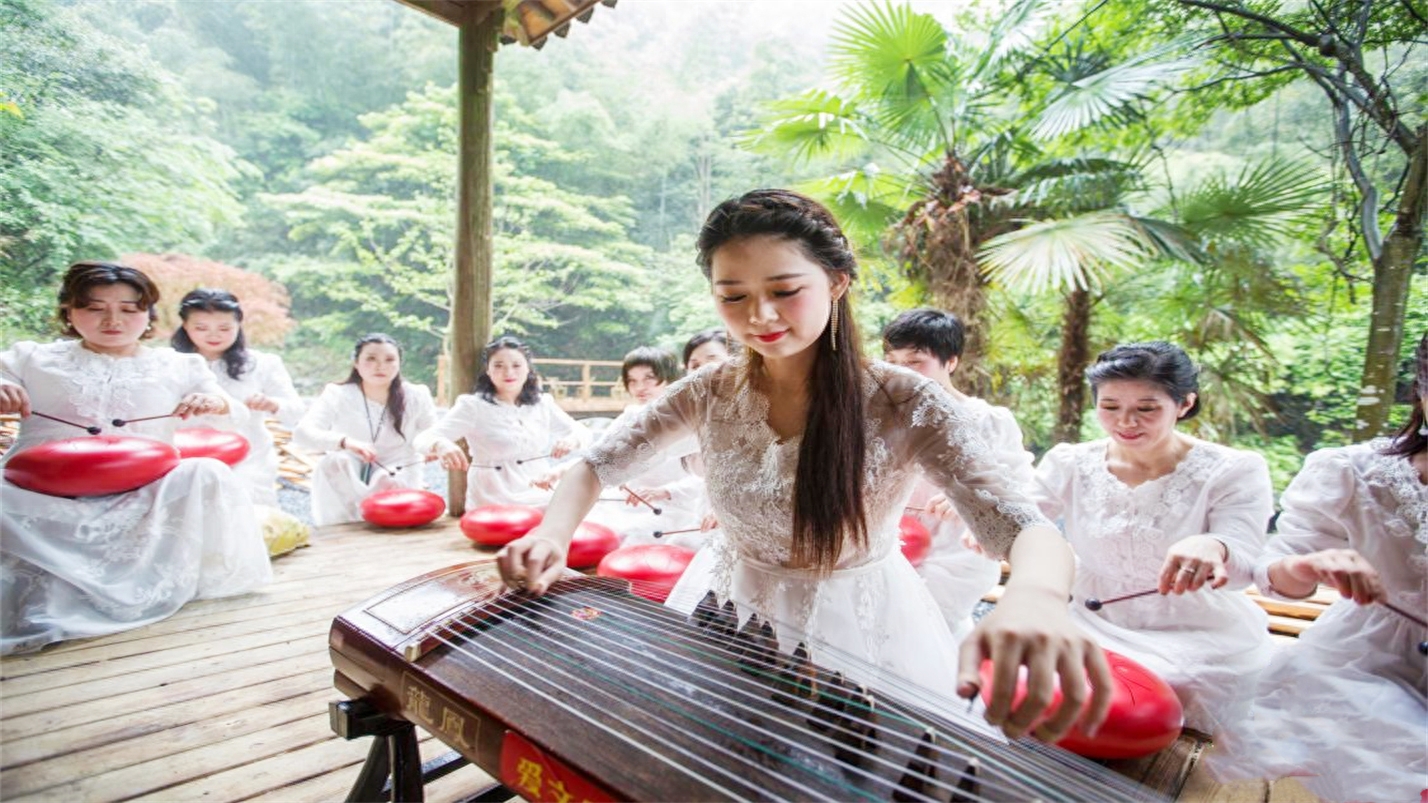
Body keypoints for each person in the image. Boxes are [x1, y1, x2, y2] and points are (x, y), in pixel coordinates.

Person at [497, 189, 1113, 742]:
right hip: (728, 604)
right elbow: (595, 464)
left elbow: (1024, 526)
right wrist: (551, 534)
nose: (760, 318)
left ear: (837, 282)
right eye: (732, 297)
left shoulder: (903, 399)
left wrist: (1033, 596)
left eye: (785, 291)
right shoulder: (708, 390)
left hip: (861, 619)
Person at [0, 261, 272, 655]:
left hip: (143, 496)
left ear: (147, 315)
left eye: (129, 309)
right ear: (68, 311)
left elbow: (235, 408)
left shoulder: (179, 364)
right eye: (95, 308)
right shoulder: (29, 357)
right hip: (41, 495)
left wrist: (211, 400)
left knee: (206, 472)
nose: (113, 320)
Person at [1210, 333, 1427, 802]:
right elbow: (1275, 578)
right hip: (1363, 665)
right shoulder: (1353, 472)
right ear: (1421, 393)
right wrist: (1311, 564)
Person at [1030, 341, 1274, 735]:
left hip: (1195, 630)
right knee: (1037, 681)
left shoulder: (1234, 469)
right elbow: (1022, 520)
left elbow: (1246, 564)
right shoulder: (1069, 461)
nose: (1126, 422)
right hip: (1091, 616)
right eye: (1110, 407)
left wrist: (1214, 546)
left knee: (1157, 691)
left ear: (1184, 404)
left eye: (1146, 409)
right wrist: (977, 513)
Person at [882, 308, 1029, 642]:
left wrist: (971, 500)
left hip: (958, 554)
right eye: (893, 360)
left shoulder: (989, 421)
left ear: (951, 362)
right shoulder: (880, 416)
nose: (900, 372)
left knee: (921, 634)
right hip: (890, 545)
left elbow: (1018, 490)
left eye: (915, 362)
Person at [414, 336, 587, 510]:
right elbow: (423, 438)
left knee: (594, 501)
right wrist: (441, 444)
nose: (509, 372)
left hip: (539, 487)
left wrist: (572, 439)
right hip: (494, 495)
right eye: (498, 366)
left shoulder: (542, 403)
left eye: (516, 365)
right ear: (488, 370)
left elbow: (583, 432)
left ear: (528, 369)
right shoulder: (473, 406)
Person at [171, 288, 304, 506]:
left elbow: (296, 411)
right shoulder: (171, 365)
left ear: (239, 325)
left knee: (243, 513)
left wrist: (272, 404)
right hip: (185, 458)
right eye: (201, 328)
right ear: (185, 326)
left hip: (249, 458)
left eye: (224, 328)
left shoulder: (263, 364)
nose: (213, 335)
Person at [293, 333, 438, 526]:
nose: (380, 366)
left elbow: (434, 433)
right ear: (356, 362)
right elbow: (302, 433)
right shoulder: (337, 394)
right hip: (350, 472)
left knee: (390, 479)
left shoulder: (416, 394)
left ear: (399, 363)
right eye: (371, 359)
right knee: (335, 461)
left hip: (398, 472)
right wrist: (345, 442)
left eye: (389, 359)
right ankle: (338, 531)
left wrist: (433, 447)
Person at [587, 347, 706, 547]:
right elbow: (597, 455)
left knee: (632, 536)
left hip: (671, 506)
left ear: (670, 378)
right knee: (591, 526)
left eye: (649, 378)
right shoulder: (629, 416)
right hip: (627, 503)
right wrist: (558, 473)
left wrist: (665, 491)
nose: (639, 387)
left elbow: (708, 481)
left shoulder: (689, 420)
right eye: (632, 380)